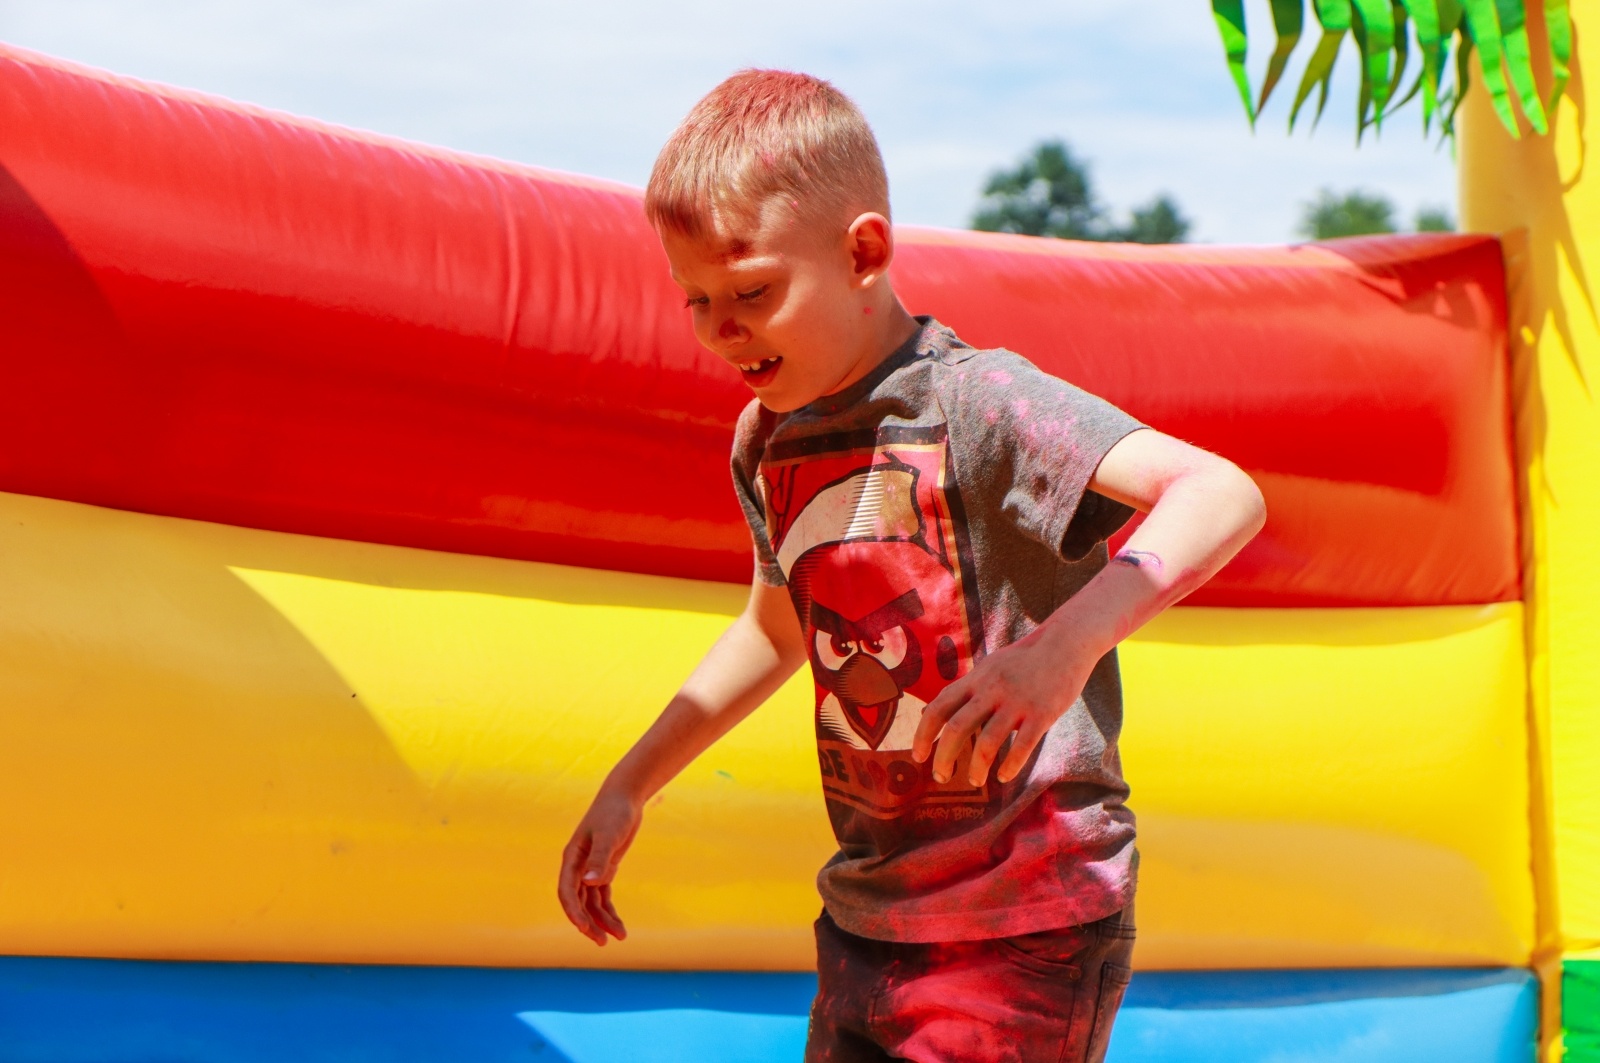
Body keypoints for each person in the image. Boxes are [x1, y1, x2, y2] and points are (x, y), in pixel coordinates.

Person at [557, 69, 1265, 1063]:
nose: (722, 327)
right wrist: (632, 782)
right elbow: (772, 631)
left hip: (1024, 911)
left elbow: (1220, 491)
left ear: (863, 252)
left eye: (752, 291)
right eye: (697, 299)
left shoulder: (976, 403)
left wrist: (1060, 651)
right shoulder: (767, 441)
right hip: (871, 911)